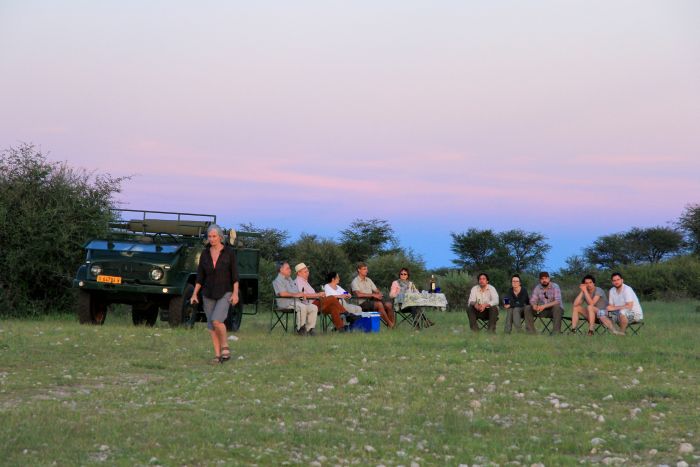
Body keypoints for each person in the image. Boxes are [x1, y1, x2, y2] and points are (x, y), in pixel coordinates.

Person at [191, 224, 239, 364]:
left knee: (217, 320)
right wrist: (194, 294)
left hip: (225, 291)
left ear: (220, 237)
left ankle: (225, 346)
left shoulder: (229, 253)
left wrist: (235, 294)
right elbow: (200, 277)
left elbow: (235, 276)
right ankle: (217, 356)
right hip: (208, 293)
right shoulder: (205, 253)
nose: (212, 239)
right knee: (212, 326)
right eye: (210, 236)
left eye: (214, 236)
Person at [294, 263, 348, 332]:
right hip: (310, 304)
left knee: (333, 307)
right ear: (299, 273)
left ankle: (341, 328)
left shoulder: (305, 281)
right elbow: (302, 295)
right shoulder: (299, 281)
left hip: (317, 302)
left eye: (308, 271)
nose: (308, 273)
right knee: (332, 298)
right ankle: (346, 314)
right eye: (305, 271)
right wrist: (318, 294)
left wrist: (347, 294)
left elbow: (345, 292)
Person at [272, 261, 318, 336]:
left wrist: (301, 295)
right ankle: (300, 329)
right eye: (287, 268)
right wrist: (296, 295)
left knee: (313, 307)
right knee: (302, 307)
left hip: (295, 302)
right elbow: (282, 294)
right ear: (281, 270)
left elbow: (297, 292)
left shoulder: (290, 279)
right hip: (285, 303)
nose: (290, 270)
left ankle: (310, 329)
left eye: (289, 268)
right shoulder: (278, 281)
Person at [350, 262, 396, 328]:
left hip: (372, 300)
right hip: (362, 303)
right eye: (364, 269)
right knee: (379, 304)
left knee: (388, 304)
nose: (367, 271)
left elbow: (376, 290)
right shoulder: (355, 281)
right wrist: (372, 295)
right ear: (359, 270)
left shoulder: (369, 280)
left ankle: (391, 326)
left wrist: (379, 294)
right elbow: (358, 294)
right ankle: (391, 325)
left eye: (367, 269)